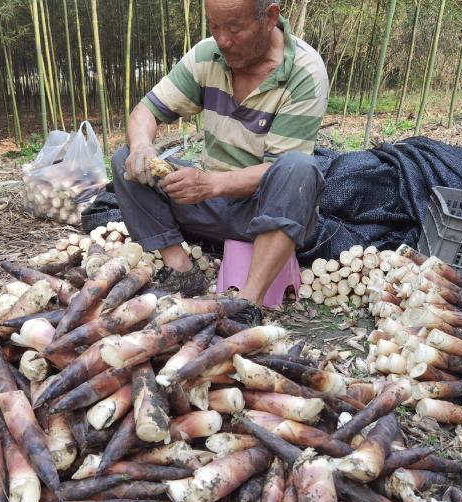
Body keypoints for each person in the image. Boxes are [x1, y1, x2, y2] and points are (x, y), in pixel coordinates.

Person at [111, 0, 329, 325]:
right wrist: (142, 146)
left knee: (299, 168)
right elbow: (147, 110)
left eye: (235, 28)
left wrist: (210, 184)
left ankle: (246, 303)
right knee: (123, 160)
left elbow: (278, 169)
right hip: (207, 207)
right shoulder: (206, 55)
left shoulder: (304, 72)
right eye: (214, 26)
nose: (223, 40)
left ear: (270, 17)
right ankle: (182, 270)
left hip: (264, 212)